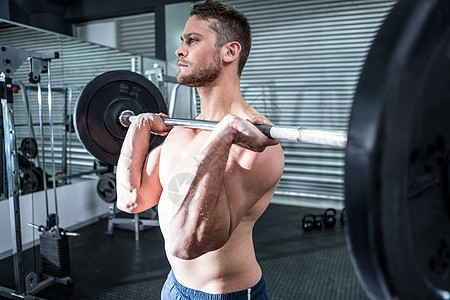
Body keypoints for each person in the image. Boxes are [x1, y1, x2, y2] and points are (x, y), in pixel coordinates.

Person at [116, 0, 285, 299]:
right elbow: (132, 200)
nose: (180, 50)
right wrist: (137, 130)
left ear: (230, 52)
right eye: (182, 41)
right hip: (174, 286)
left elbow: (188, 243)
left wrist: (222, 138)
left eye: (192, 40)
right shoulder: (181, 130)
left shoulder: (256, 144)